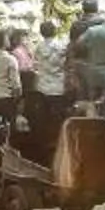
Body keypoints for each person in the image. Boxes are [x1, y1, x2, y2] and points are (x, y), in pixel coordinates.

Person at [72, 6, 105, 120]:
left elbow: (78, 44)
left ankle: (92, 124)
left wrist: (89, 50)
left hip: (92, 70)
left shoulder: (93, 30)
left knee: (92, 103)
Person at [28, 18, 70, 156]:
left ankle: (43, 144)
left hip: (42, 86)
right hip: (57, 86)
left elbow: (36, 64)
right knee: (57, 117)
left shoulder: (38, 47)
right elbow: (64, 63)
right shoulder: (61, 46)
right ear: (54, 31)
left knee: (43, 117)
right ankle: (59, 142)